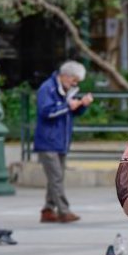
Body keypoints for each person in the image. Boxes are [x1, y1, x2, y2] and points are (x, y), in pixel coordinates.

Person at [34, 60, 93, 223]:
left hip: (60, 141)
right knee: (57, 177)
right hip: (48, 141)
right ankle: (64, 211)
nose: (75, 83)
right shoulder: (48, 88)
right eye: (74, 80)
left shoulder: (66, 90)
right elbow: (46, 112)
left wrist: (82, 105)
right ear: (65, 76)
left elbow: (70, 113)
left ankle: (47, 210)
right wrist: (68, 106)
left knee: (56, 177)